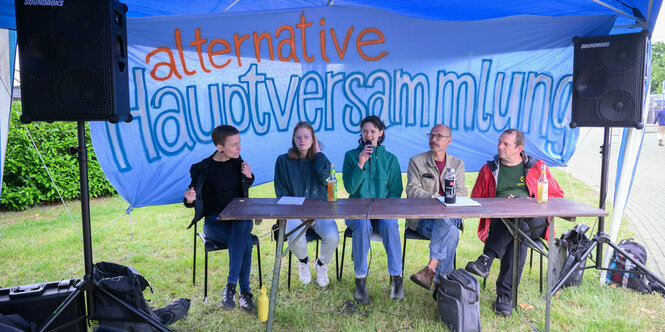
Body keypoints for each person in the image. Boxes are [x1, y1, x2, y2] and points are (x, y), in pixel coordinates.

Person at [464, 129, 563, 317]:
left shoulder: (538, 167)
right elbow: (476, 199)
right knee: (516, 225)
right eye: (499, 142)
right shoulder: (489, 169)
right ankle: (505, 298)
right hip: (504, 222)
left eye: (506, 144)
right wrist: (504, 204)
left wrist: (527, 202)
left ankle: (486, 259)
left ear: (520, 148)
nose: (500, 147)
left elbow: (557, 195)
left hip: (536, 222)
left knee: (519, 216)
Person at [184, 125, 257, 313]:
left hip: (240, 219)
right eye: (234, 145)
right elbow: (192, 197)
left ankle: (230, 287)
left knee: (242, 223)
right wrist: (189, 199)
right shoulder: (202, 169)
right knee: (246, 242)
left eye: (239, 143)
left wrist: (249, 176)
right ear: (220, 147)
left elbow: (245, 185)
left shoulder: (238, 163)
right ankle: (245, 293)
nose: (239, 148)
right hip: (214, 222)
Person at [342, 115, 404, 304]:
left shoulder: (390, 159)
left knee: (389, 223)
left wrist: (384, 209)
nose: (369, 135)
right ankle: (360, 281)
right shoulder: (351, 156)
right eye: (365, 131)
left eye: (373, 131)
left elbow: (396, 191)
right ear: (361, 134)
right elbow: (351, 189)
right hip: (357, 214)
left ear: (380, 133)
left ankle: (396, 279)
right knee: (362, 224)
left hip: (382, 213)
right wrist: (361, 163)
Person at [274, 121, 340, 287]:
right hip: (295, 213)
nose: (302, 140)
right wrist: (298, 213)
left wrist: (318, 154)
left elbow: (329, 180)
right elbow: (281, 192)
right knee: (294, 235)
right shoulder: (283, 161)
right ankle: (303, 262)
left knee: (332, 236)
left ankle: (321, 264)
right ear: (294, 140)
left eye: (306, 137)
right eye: (299, 137)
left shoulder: (321, 160)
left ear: (313, 140)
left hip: (320, 212)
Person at [405, 124, 467, 290]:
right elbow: (412, 190)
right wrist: (435, 198)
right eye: (431, 135)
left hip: (450, 215)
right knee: (451, 231)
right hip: (423, 219)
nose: (434, 139)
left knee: (446, 221)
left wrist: (448, 200)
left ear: (449, 141)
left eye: (439, 136)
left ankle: (430, 269)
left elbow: (461, 193)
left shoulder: (458, 164)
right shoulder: (416, 161)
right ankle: (442, 286)